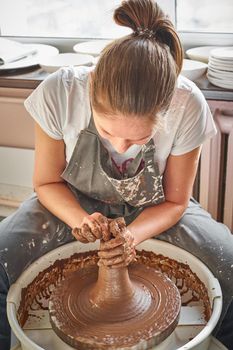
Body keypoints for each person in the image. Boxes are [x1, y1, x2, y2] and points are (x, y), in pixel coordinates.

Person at [0, 0, 233, 349]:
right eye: (108, 132)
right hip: (71, 200)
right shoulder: (60, 92)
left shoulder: (188, 103)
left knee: (228, 262)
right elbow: (46, 183)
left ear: (169, 105)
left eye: (138, 139)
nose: (122, 146)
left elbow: (175, 201)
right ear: (91, 85)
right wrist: (79, 218)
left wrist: (131, 237)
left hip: (152, 208)